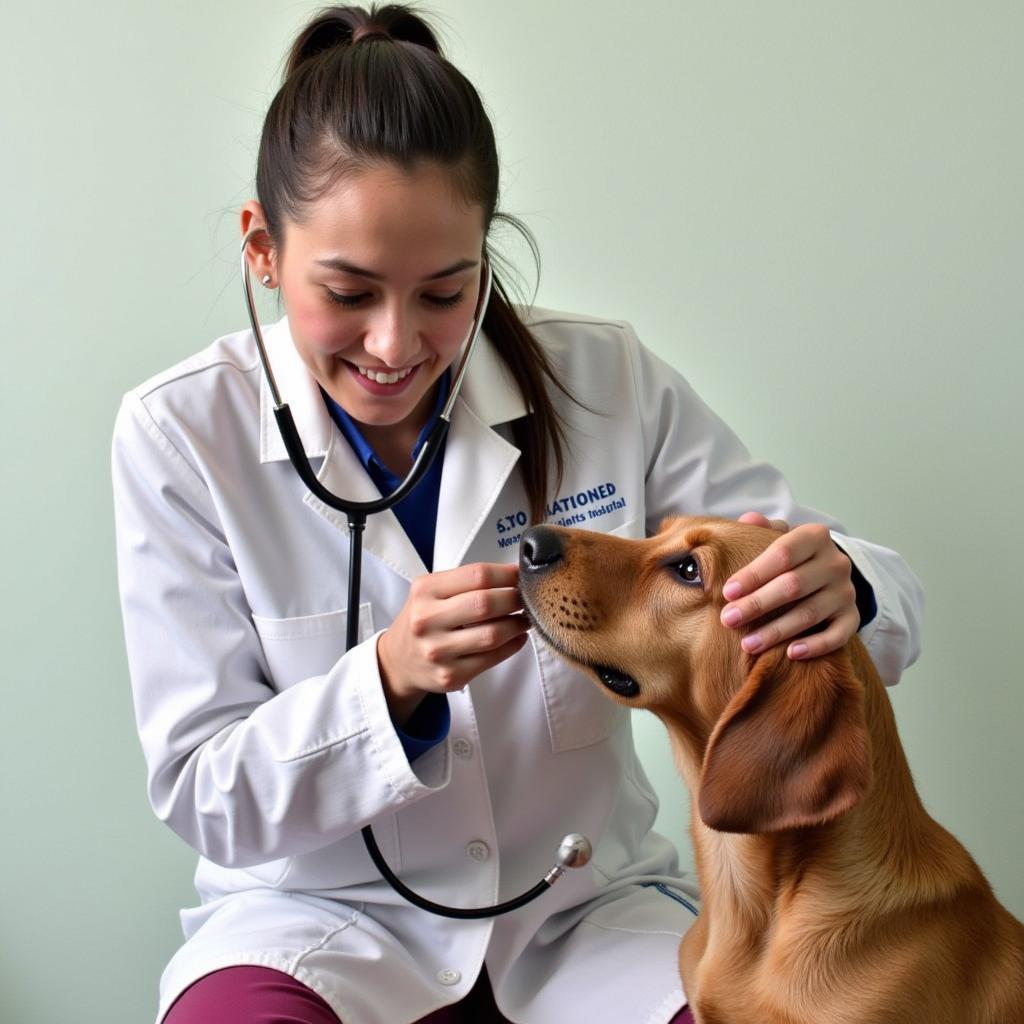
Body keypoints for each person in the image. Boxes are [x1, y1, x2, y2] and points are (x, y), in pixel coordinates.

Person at [111, 5, 924, 1023]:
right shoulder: (180, 435)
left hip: (582, 922)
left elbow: (874, 604)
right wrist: (390, 681)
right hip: (316, 931)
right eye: (348, 291)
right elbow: (205, 790)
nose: (395, 342)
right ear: (263, 250)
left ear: (484, 257)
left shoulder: (607, 378)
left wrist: (839, 582)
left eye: (444, 291)